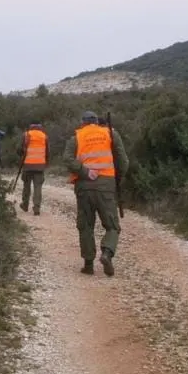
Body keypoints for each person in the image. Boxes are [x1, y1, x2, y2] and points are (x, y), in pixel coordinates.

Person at [63, 111, 129, 277]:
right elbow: (123, 162)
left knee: (85, 225)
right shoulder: (111, 133)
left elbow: (67, 159)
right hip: (106, 184)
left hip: (84, 186)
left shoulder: (76, 137)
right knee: (112, 225)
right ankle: (107, 253)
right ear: (97, 123)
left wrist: (84, 171)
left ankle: (88, 265)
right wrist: (117, 177)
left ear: (83, 122)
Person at [16, 122, 49, 215]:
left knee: (26, 186)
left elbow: (19, 149)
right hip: (40, 166)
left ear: (31, 128)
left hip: (27, 165)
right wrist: (45, 163)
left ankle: (25, 205)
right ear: (40, 128)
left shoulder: (26, 135)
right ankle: (36, 208)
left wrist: (21, 155)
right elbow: (47, 152)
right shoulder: (44, 136)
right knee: (38, 187)